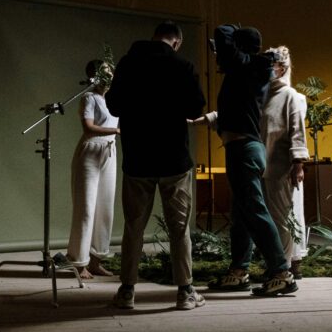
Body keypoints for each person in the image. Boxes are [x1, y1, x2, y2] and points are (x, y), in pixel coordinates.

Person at [105, 21, 207, 310]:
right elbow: (195, 108)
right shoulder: (182, 65)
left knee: (133, 226)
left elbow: (113, 105)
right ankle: (185, 292)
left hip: (138, 158)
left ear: (154, 37)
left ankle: (127, 291)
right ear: (176, 42)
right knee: (179, 228)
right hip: (174, 159)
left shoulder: (128, 63)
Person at [194, 25, 296, 297]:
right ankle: (239, 272)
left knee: (255, 212)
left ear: (237, 48)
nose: (218, 56)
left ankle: (281, 273)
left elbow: (223, 32)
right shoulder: (248, 69)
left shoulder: (248, 66)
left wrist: (231, 37)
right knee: (241, 215)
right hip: (242, 148)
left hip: (244, 150)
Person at [65, 59, 119, 279]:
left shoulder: (114, 100)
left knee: (105, 208)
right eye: (104, 72)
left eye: (110, 71)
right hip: (90, 152)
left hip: (109, 152)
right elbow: (88, 128)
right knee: (86, 209)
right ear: (94, 76)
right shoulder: (89, 97)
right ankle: (79, 262)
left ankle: (96, 260)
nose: (109, 75)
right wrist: (116, 131)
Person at [260, 46, 310, 279]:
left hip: (281, 166)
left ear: (281, 68)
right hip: (262, 164)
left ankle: (285, 266)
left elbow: (297, 132)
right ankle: (277, 262)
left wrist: (298, 163)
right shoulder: (262, 95)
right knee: (270, 217)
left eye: (271, 65)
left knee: (283, 217)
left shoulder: (291, 96)